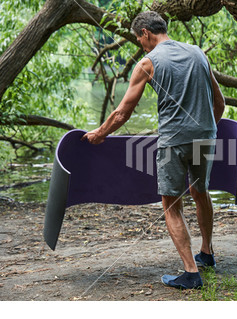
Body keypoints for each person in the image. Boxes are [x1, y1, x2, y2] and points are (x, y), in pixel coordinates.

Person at [82, 11, 225, 289]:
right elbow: (218, 103)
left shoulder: (148, 62)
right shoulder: (198, 54)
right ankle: (207, 253)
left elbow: (123, 112)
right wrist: (207, 131)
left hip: (174, 141)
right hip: (205, 137)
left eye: (139, 39)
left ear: (146, 32)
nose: (140, 45)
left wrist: (100, 134)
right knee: (200, 191)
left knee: (171, 205)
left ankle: (191, 273)